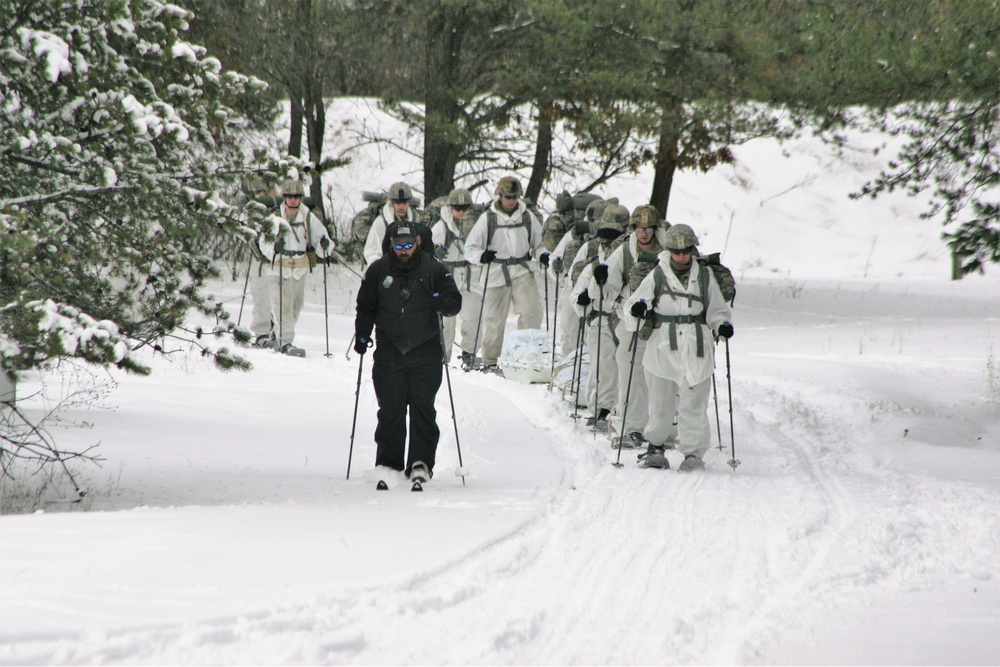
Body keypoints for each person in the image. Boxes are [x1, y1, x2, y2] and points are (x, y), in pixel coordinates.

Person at [354, 222, 462, 485]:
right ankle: (388, 465)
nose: (404, 251)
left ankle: (420, 462)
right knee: (390, 408)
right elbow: (366, 306)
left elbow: (454, 301)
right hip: (389, 348)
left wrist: (442, 303)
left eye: (408, 245)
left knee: (423, 408)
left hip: (425, 349)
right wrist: (362, 334)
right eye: (399, 245)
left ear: (418, 243)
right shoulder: (378, 270)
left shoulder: (434, 269)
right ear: (391, 244)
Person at [621, 223, 733, 472]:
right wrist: (639, 308)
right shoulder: (657, 274)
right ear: (669, 250)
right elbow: (634, 304)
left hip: (696, 344)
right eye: (676, 251)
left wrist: (722, 326)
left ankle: (693, 453)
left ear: (692, 250)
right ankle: (656, 446)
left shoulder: (704, 276)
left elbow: (716, 309)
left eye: (686, 251)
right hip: (663, 343)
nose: (681, 256)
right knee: (661, 400)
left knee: (693, 402)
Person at [592, 204, 670, 448]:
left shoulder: (669, 250)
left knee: (662, 374)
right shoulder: (624, 252)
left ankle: (663, 427)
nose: (644, 233)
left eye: (648, 228)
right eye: (639, 228)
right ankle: (632, 426)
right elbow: (605, 291)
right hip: (629, 320)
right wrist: (600, 280)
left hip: (661, 321)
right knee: (630, 369)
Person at [464, 175, 545, 373]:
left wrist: (542, 255)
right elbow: (471, 247)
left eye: (515, 196)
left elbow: (539, 243)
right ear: (500, 195)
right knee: (494, 318)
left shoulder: (527, 216)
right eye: (508, 196)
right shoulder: (488, 218)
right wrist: (482, 256)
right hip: (495, 272)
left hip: (522, 269)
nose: (511, 200)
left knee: (531, 312)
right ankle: (491, 360)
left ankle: (528, 356)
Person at [570, 204, 630, 430]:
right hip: (599, 319)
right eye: (604, 241)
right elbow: (576, 292)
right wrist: (582, 301)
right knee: (603, 365)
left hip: (622, 318)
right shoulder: (594, 263)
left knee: (625, 365)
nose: (607, 245)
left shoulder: (626, 259)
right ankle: (602, 408)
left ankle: (624, 408)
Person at [258, 178, 330, 356]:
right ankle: (285, 343)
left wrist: (325, 244)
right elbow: (263, 243)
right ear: (284, 197)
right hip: (278, 268)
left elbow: (322, 241)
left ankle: (277, 333)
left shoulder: (308, 217)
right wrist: (274, 248)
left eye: (296, 196)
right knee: (284, 307)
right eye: (289, 196)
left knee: (296, 307)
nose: (293, 200)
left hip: (299, 268)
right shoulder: (274, 218)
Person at [431, 188, 483, 369]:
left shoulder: (477, 225)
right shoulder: (441, 226)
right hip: (447, 276)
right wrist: (435, 251)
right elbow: (426, 249)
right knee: (446, 320)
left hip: (471, 275)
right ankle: (441, 356)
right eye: (457, 208)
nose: (460, 212)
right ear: (451, 207)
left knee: (473, 316)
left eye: (464, 207)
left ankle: (470, 354)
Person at [242, 176, 277, 349]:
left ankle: (280, 331)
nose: (262, 195)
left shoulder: (280, 209)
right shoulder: (252, 211)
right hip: (260, 260)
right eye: (258, 192)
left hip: (281, 260)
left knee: (281, 297)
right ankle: (262, 332)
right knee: (261, 294)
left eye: (264, 191)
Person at [363, 182, 421, 267]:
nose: (401, 206)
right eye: (398, 202)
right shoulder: (381, 222)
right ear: (392, 202)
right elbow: (372, 251)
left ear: (409, 202)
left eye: (404, 202)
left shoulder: (416, 220)